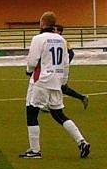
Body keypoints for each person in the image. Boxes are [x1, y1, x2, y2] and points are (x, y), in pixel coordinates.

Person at [20, 12, 90, 159]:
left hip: (41, 80)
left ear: (42, 23)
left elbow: (32, 61)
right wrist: (63, 81)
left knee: (31, 113)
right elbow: (66, 64)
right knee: (58, 114)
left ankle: (35, 150)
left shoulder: (38, 38)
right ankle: (82, 142)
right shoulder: (61, 40)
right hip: (56, 81)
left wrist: (28, 72)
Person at [56, 25, 88, 109]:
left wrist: (66, 64)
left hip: (60, 68)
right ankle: (82, 98)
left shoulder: (63, 41)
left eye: (54, 30)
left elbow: (71, 53)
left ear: (59, 31)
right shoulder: (54, 41)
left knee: (56, 86)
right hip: (55, 67)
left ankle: (47, 104)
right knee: (62, 88)